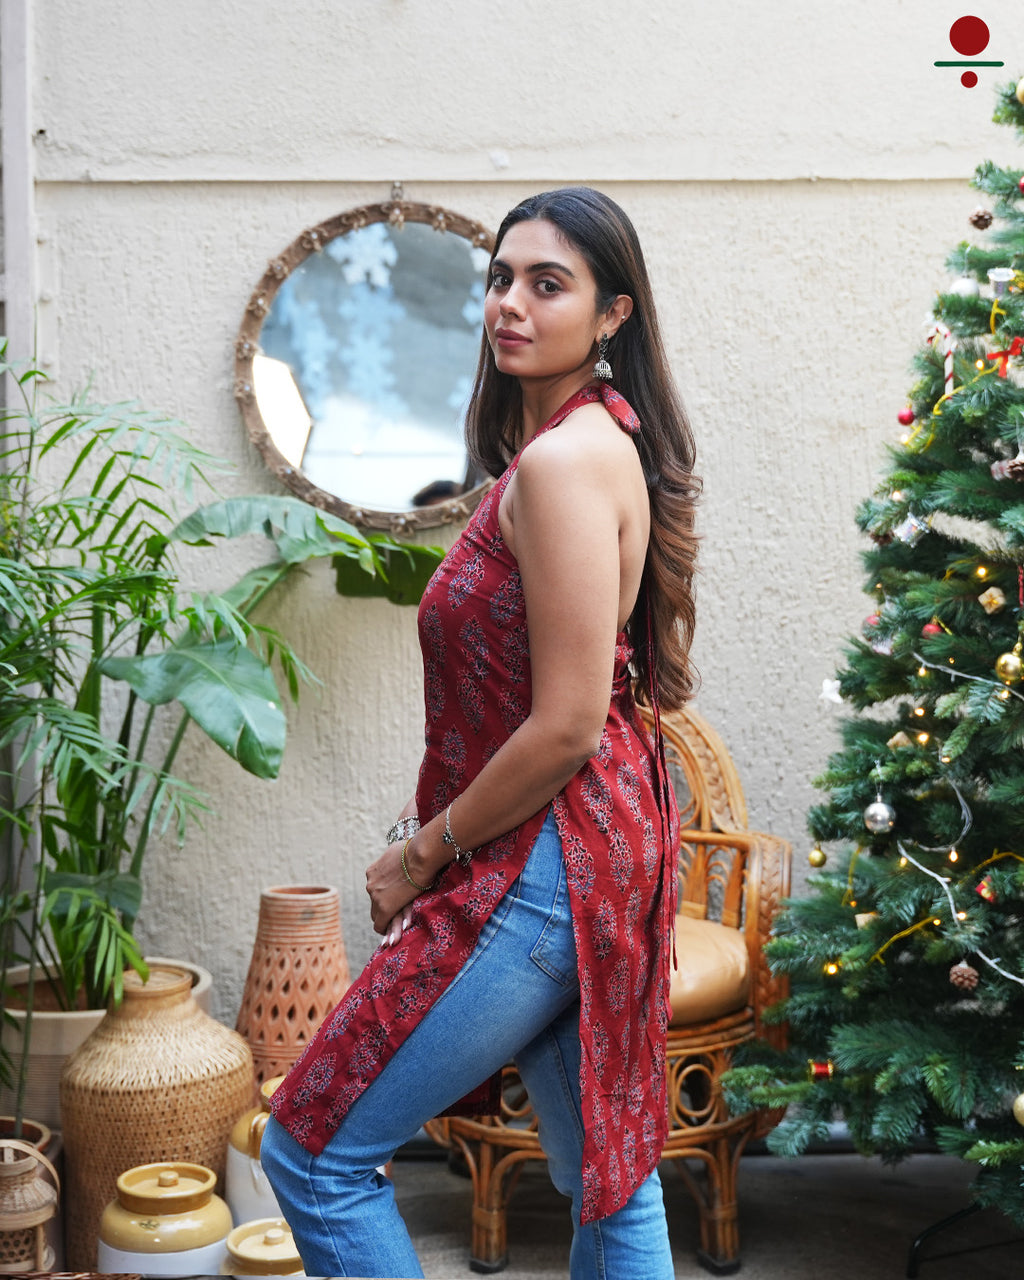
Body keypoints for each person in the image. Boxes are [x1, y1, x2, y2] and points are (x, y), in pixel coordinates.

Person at [261, 186, 700, 1280]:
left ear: (612, 314)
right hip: (594, 843)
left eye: (548, 284)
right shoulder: (593, 440)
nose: (510, 303)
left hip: (548, 861)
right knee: (609, 1179)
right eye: (501, 278)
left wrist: (420, 855)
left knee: (310, 1150)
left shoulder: (560, 465)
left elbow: (566, 725)